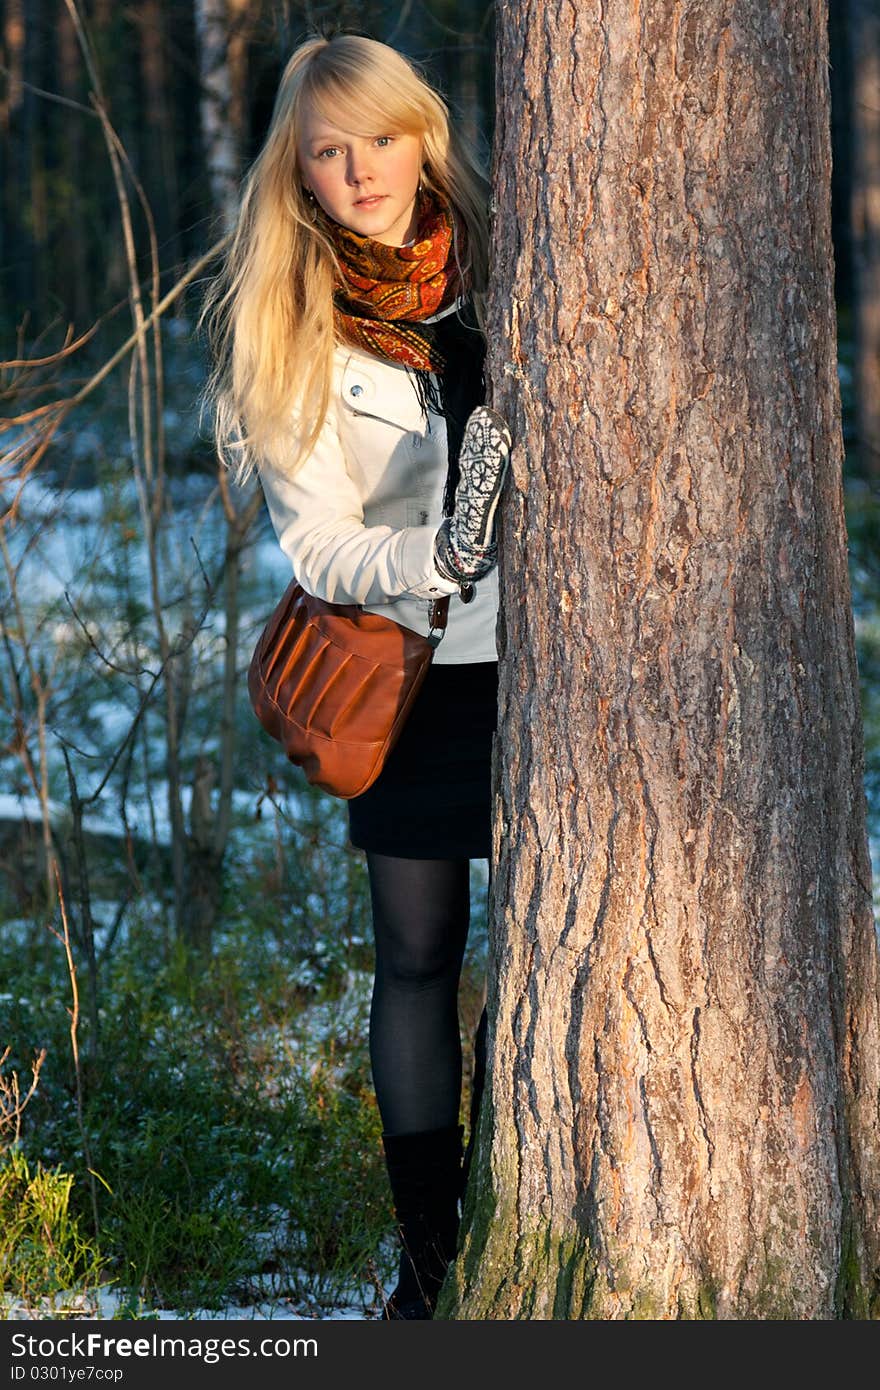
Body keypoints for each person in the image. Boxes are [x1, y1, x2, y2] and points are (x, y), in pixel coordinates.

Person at [199, 32, 510, 1320]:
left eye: (378, 136)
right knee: (419, 955)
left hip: (574, 670)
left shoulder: (510, 261)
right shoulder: (296, 327)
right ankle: (430, 1265)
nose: (359, 168)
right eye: (327, 152)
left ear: (422, 135)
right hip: (421, 676)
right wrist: (434, 555)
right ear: (300, 178)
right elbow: (318, 543)